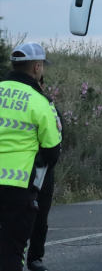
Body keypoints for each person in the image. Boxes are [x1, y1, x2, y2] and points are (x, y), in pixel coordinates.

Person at [0, 42, 62, 271]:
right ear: (37, 67)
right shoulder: (39, 101)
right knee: (11, 251)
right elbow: (51, 150)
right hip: (18, 187)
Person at [25, 75, 62, 271]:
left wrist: (45, 164)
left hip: (42, 168)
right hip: (21, 167)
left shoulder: (47, 105)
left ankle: (35, 258)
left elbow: (57, 134)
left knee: (41, 216)